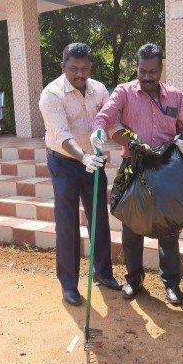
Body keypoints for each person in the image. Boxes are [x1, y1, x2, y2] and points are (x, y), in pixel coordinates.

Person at [90, 43, 183, 305]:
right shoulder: (124, 92)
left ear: (161, 68)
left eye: (153, 71)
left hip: (166, 168)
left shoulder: (174, 95)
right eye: (142, 71)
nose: (147, 77)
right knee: (132, 226)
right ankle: (134, 280)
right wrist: (98, 129)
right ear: (136, 68)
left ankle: (171, 284)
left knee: (169, 227)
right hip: (134, 166)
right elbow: (104, 116)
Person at [39, 42, 121, 306]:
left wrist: (123, 140)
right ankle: (69, 284)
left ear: (91, 67)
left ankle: (103, 273)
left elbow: (110, 122)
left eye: (85, 68)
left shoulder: (99, 89)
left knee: (99, 218)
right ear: (63, 67)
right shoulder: (51, 95)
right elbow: (61, 135)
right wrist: (82, 156)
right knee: (67, 223)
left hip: (94, 161)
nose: (80, 74)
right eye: (74, 68)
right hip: (64, 163)